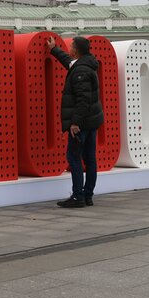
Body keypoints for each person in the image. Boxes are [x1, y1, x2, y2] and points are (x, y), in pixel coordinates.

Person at [46, 35, 104, 208]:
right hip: (92, 121)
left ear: (76, 50)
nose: (69, 48)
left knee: (74, 157)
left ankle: (78, 196)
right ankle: (88, 195)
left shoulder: (80, 71)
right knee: (90, 158)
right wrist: (54, 49)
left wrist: (75, 123)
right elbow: (68, 62)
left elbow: (83, 100)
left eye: (71, 46)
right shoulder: (85, 65)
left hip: (82, 124)